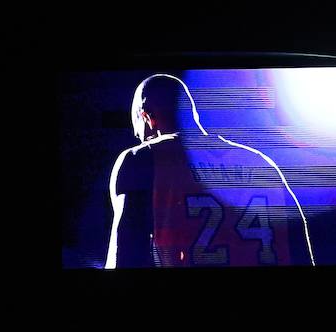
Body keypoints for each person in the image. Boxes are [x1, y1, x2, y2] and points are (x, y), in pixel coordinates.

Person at [106, 74, 314, 268]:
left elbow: (126, 256)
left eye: (140, 133)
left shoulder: (143, 158)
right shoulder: (261, 164)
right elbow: (299, 249)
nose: (142, 140)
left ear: (147, 117)